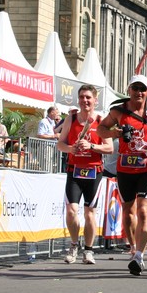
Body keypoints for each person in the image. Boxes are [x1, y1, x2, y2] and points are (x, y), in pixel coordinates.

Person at [98, 75, 147, 276]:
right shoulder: (118, 111)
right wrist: (116, 133)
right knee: (128, 212)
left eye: (142, 89)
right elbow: (101, 129)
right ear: (129, 90)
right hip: (125, 168)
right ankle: (133, 247)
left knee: (143, 210)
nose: (139, 92)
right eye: (135, 88)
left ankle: (140, 256)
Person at [57, 85, 113, 265]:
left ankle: (88, 250)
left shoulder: (101, 121)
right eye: (82, 97)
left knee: (90, 213)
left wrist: (92, 146)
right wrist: (70, 148)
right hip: (74, 170)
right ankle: (74, 245)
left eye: (88, 97)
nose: (85, 100)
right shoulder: (71, 118)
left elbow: (110, 147)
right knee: (71, 211)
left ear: (95, 100)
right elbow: (60, 144)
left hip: (93, 171)